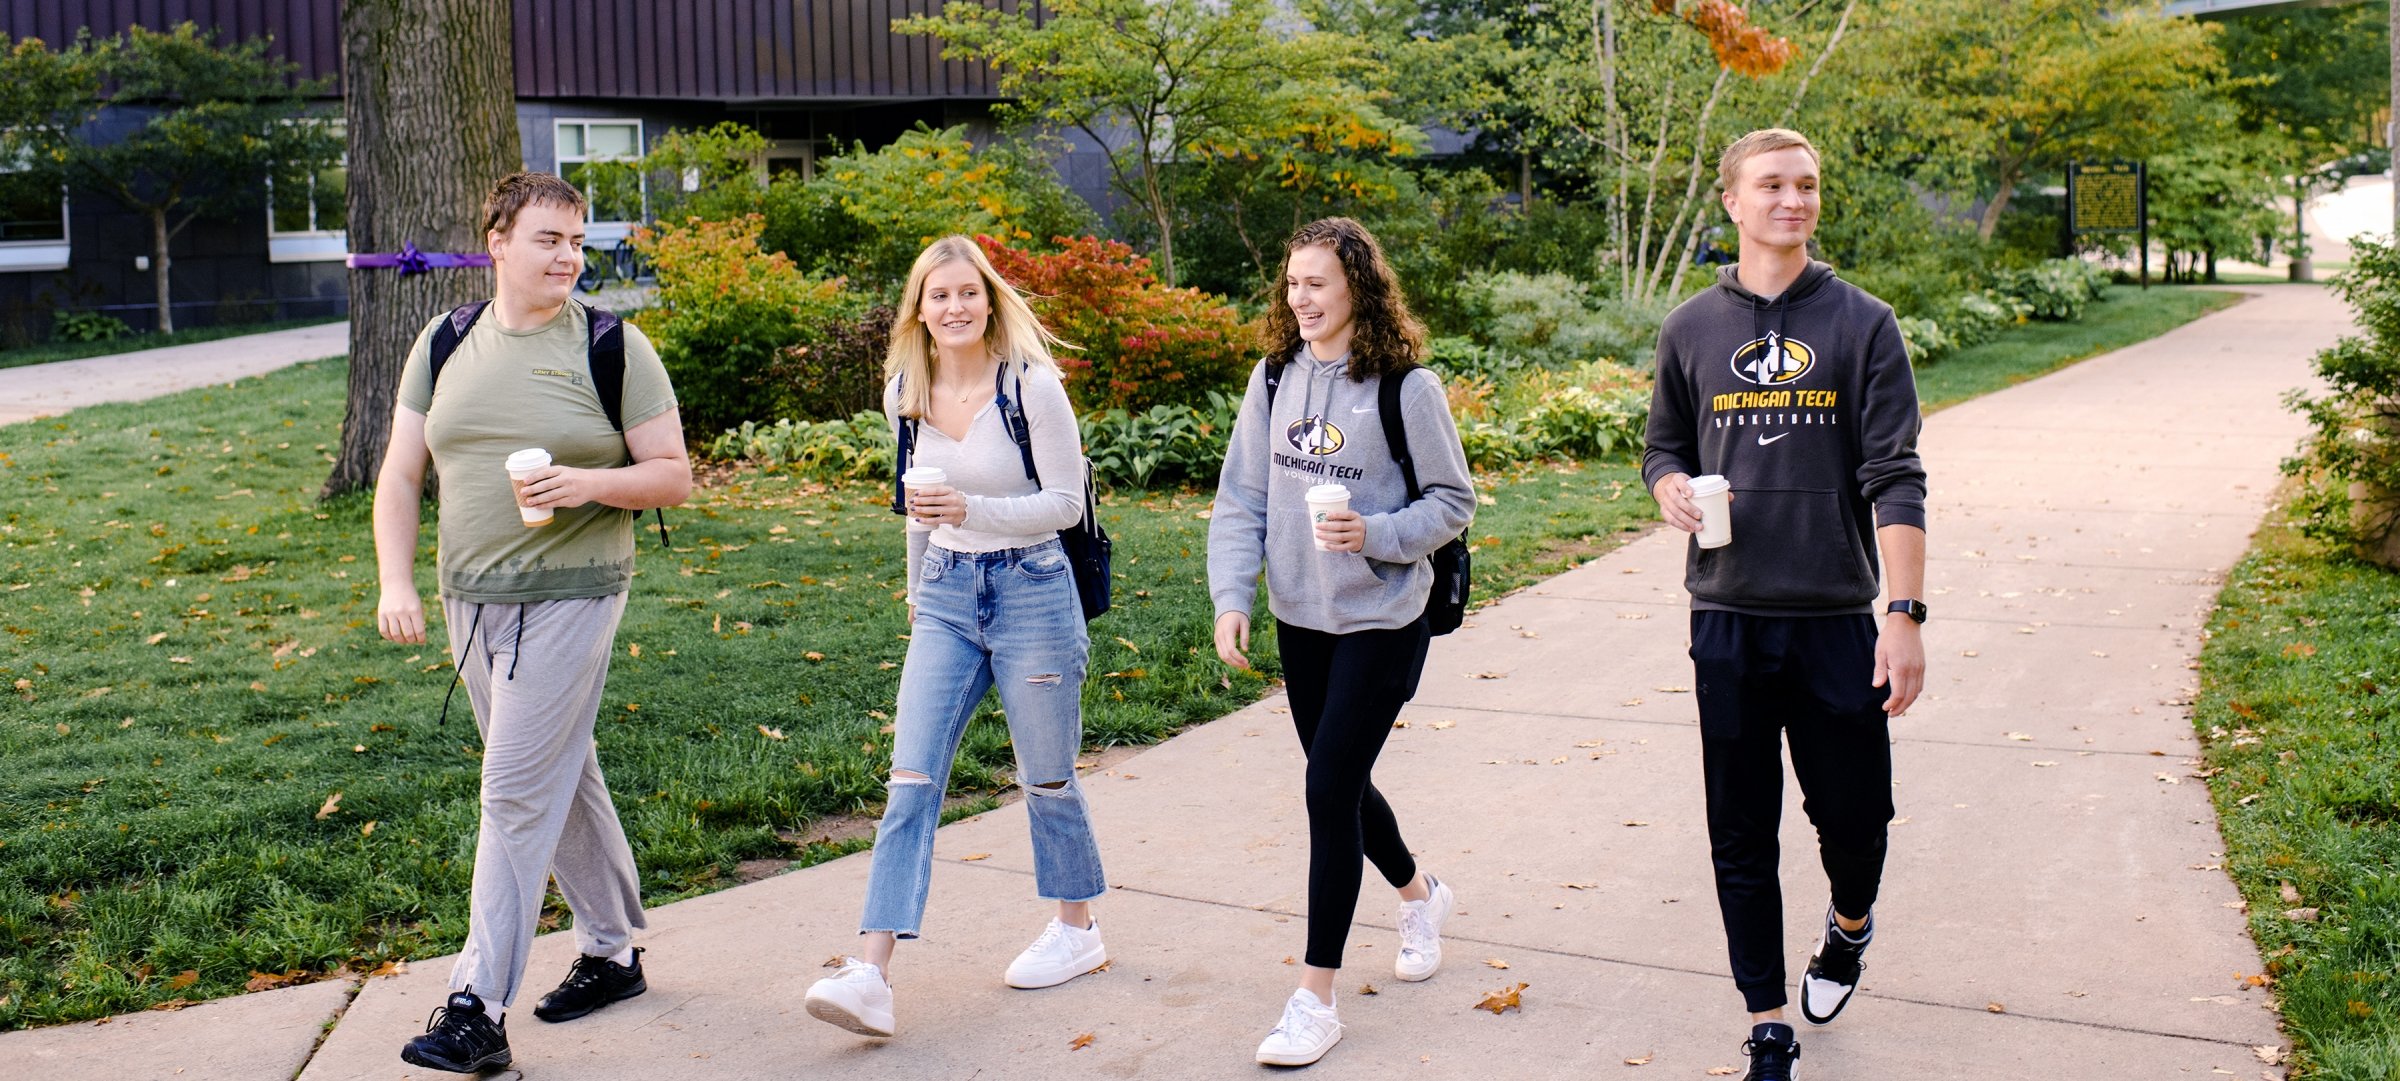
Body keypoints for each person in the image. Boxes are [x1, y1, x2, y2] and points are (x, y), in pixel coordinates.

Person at [373, 172, 691, 1074]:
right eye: (549, 238)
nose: (568, 257)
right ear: (498, 241)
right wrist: (396, 580)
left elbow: (672, 475)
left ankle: (477, 1006)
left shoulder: (613, 347)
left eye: (578, 241)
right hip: (469, 600)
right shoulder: (444, 341)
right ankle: (613, 948)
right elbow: (400, 474)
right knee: (561, 770)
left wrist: (588, 483)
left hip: (577, 590)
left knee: (514, 787)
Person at [1640, 128, 1928, 1081]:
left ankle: (1849, 926)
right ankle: (1766, 1018)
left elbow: (1896, 474)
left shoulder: (1863, 323)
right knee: (1740, 823)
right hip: (1725, 613)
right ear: (1732, 200)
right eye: (1772, 184)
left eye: (1806, 184)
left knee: (1856, 817)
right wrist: (1670, 486)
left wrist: (1905, 613)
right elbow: (1662, 447)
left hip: (1834, 614)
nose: (1793, 199)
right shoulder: (1690, 328)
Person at [802, 235, 1109, 1038]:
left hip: (1035, 588)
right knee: (911, 780)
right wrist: (916, 588)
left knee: (1046, 777)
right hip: (945, 597)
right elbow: (916, 500)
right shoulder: (905, 387)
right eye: (939, 296)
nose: (955, 307)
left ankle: (1077, 928)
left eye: (968, 292)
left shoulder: (1031, 387)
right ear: (919, 309)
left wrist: (972, 514)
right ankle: (870, 970)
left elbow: (1066, 502)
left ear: (990, 298)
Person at [1208, 217, 1477, 1067]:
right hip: (1301, 617)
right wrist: (1231, 595)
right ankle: (1420, 893)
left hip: (1382, 616)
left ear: (1357, 284)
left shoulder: (1407, 387)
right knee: (1343, 782)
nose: (1301, 299)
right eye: (1292, 284)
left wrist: (1377, 533)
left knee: (1327, 786)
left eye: (1317, 283)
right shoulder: (1275, 375)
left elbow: (1452, 500)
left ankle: (1314, 996)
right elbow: (1242, 494)